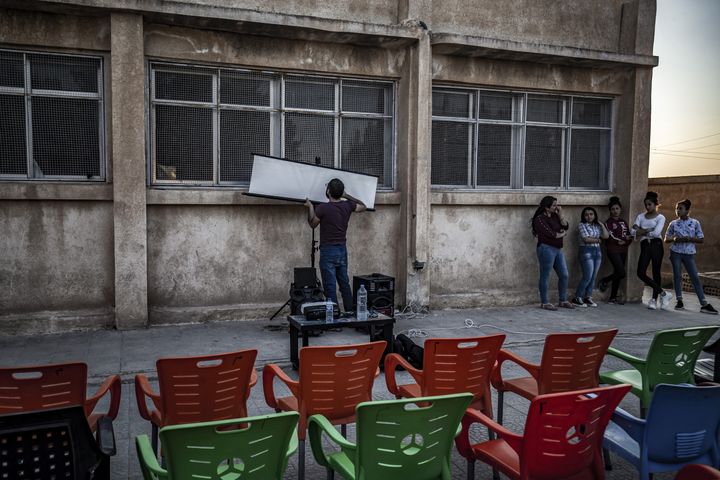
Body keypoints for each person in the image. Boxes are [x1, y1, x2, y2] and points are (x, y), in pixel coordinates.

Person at [305, 178, 366, 312]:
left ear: (328, 192)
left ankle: (334, 318)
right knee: (344, 284)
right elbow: (363, 206)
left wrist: (310, 207)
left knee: (330, 287)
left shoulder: (322, 208)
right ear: (341, 192)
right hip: (341, 250)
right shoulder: (348, 206)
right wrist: (347, 195)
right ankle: (350, 313)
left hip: (328, 251)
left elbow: (312, 224)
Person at [664, 199, 718, 314]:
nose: (678, 211)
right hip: (676, 252)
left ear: (687, 210)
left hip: (689, 254)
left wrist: (689, 239)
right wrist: (675, 239)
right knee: (677, 276)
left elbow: (701, 239)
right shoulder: (673, 223)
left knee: (694, 277)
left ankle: (704, 304)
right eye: (676, 208)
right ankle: (679, 301)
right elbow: (666, 238)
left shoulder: (695, 223)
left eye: (681, 208)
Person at [531, 196, 575, 311]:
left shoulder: (555, 216)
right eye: (554, 205)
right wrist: (561, 234)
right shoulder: (539, 219)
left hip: (558, 249)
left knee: (564, 275)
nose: (557, 207)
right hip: (546, 249)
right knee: (545, 276)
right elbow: (551, 234)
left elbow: (566, 226)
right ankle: (545, 302)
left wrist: (560, 215)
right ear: (546, 207)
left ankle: (562, 300)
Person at [632, 191, 672, 310]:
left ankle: (654, 299)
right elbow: (632, 232)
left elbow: (656, 233)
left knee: (656, 272)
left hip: (656, 245)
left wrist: (641, 230)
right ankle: (664, 294)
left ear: (655, 204)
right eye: (646, 205)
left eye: (649, 204)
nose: (647, 207)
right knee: (640, 272)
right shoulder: (640, 216)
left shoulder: (661, 217)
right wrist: (646, 230)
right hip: (645, 245)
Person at [572, 207, 609, 307]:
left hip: (597, 252)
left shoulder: (597, 226)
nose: (589, 216)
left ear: (595, 215)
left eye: (591, 214)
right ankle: (577, 297)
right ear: (583, 216)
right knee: (587, 276)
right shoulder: (581, 225)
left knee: (593, 277)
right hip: (586, 251)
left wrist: (601, 224)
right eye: (586, 214)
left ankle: (588, 297)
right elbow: (586, 239)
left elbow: (606, 236)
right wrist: (598, 240)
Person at [598, 196, 632, 304]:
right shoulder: (608, 222)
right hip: (613, 249)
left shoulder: (623, 222)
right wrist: (620, 241)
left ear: (620, 209)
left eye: (617, 208)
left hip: (623, 250)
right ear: (610, 210)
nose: (615, 211)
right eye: (613, 209)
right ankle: (605, 280)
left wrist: (626, 241)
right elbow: (610, 236)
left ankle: (612, 298)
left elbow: (629, 236)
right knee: (621, 272)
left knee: (618, 272)